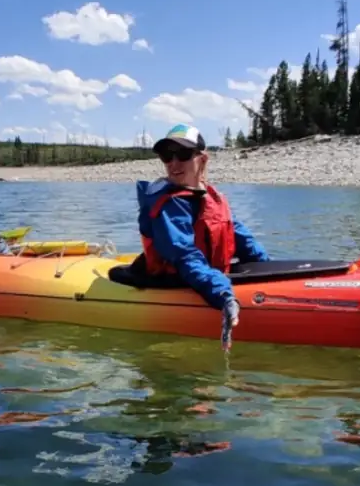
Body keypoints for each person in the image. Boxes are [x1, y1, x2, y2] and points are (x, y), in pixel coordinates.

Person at [112, 123, 270, 337]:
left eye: (183, 154)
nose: (174, 163)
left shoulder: (213, 197)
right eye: (167, 156)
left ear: (202, 159)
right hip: (177, 279)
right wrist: (222, 293)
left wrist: (269, 269)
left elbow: (242, 239)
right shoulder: (168, 205)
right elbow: (184, 254)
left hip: (205, 276)